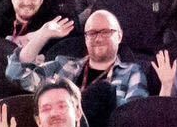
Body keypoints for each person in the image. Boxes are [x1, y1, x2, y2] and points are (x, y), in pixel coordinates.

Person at [9, 9, 150, 105]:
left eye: (106, 32)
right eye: (92, 33)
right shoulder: (63, 65)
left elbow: (133, 115)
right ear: (85, 38)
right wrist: (42, 35)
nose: (98, 39)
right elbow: (16, 75)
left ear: (119, 36)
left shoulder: (132, 72)